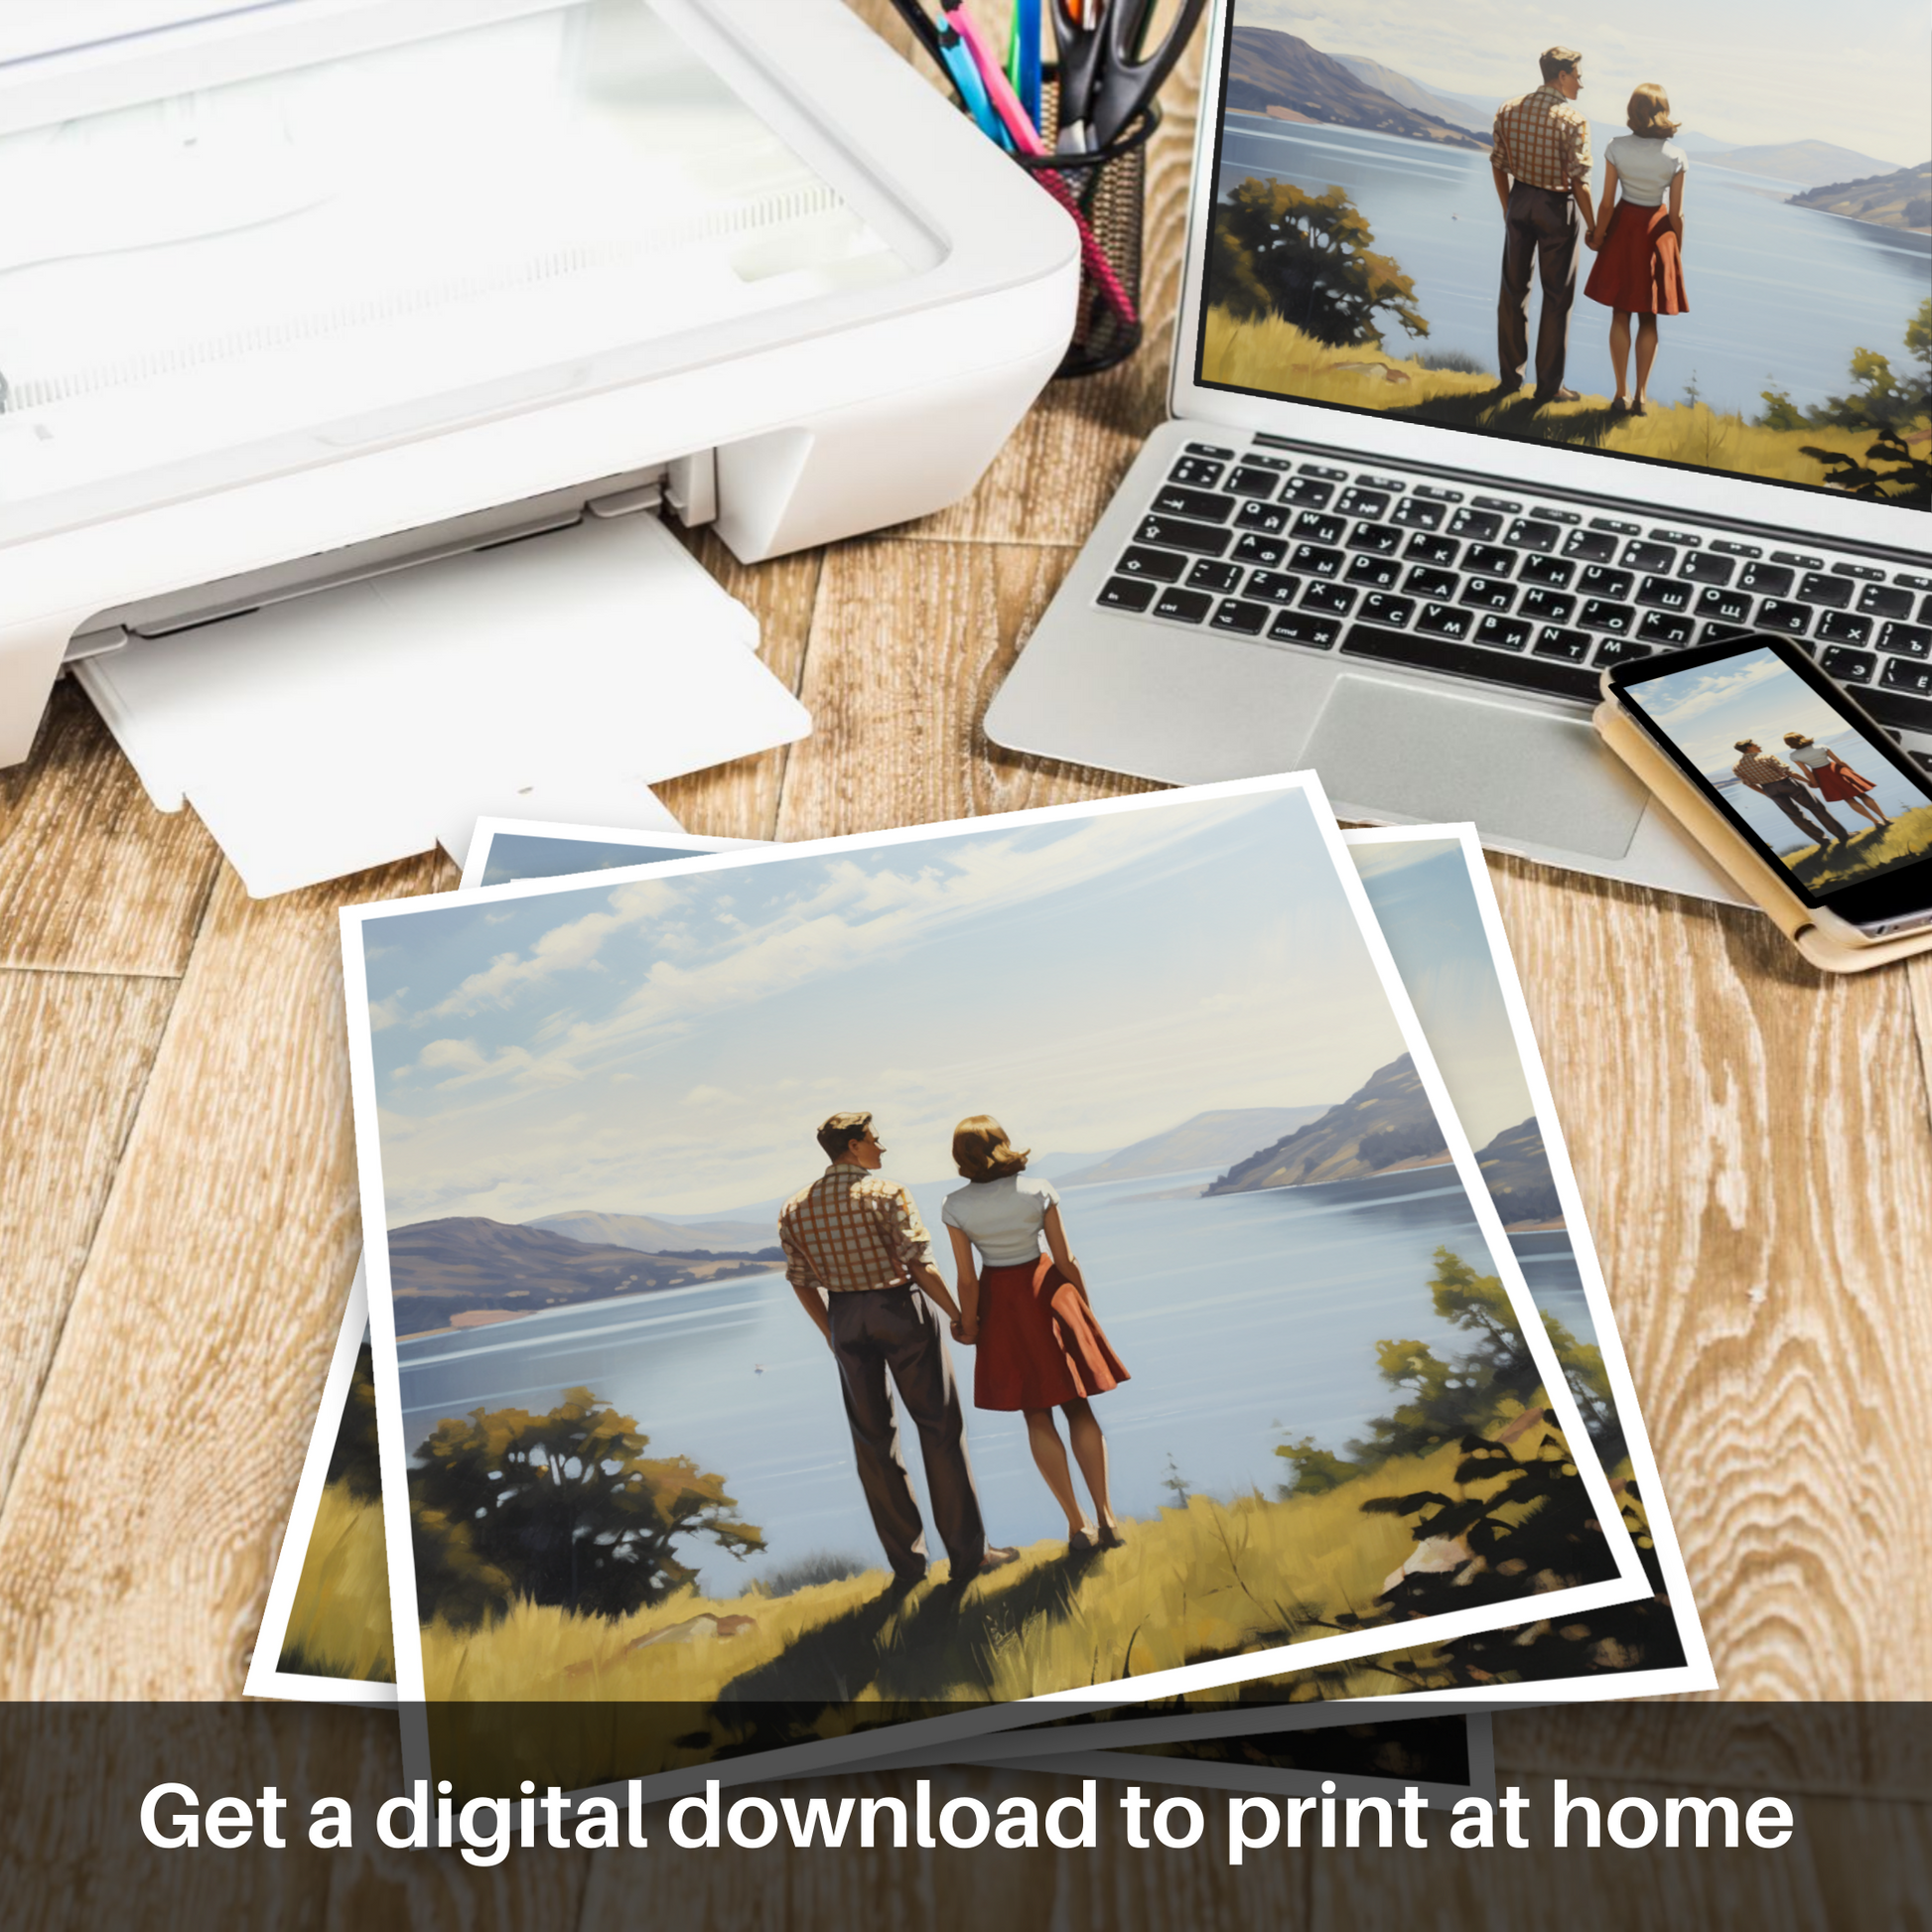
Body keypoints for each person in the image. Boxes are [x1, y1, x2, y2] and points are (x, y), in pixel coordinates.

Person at [778, 1111, 1018, 1587]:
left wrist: (832, 1331)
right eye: (874, 1139)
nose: (881, 1148)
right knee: (939, 1428)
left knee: (873, 1443)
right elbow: (920, 1265)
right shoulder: (887, 1193)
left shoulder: (795, 1208)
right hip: (899, 1310)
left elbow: (801, 1282)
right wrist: (957, 1315)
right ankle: (969, 1557)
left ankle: (908, 1566)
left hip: (845, 1317)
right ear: (852, 1147)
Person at [942, 1116, 1129, 1554]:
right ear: (1003, 1144)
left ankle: (1076, 1524)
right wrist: (1083, 1312)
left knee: (1035, 1412)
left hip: (1002, 1305)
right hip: (1048, 1295)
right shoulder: (1038, 1189)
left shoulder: (955, 1206)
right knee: (1077, 1406)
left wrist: (968, 1326)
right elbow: (1066, 1259)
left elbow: (966, 1280)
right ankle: (1107, 1518)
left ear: (960, 1157)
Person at [1490, 47, 1598, 406]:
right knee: (1556, 299)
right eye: (1578, 75)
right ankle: (1549, 387)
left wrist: (1510, 207)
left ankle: (1509, 379)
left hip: (1520, 200)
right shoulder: (1573, 120)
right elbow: (1579, 181)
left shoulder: (1508, 109)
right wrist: (1594, 226)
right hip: (1556, 208)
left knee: (1512, 291)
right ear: (1562, 75)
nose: (1581, 83)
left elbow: (1498, 164)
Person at [1585, 84, 1690, 417]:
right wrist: (1677, 253)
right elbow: (1677, 215)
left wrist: (1598, 237)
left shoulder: (1616, 147)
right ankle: (1641, 397)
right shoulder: (1676, 156)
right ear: (1664, 111)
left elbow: (1605, 204)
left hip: (1624, 228)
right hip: (1658, 234)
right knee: (1648, 317)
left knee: (1620, 311)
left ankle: (1620, 393)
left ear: (1633, 110)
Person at [1730, 740, 1852, 847]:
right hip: (1787, 784)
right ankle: (1842, 836)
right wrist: (1808, 781)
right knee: (1816, 808)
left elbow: (1749, 784)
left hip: (1769, 789)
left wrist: (1766, 793)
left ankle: (1823, 841)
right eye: (1755, 745)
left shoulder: (1737, 767)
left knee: (1796, 817)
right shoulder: (1767, 757)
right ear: (1749, 748)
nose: (1759, 746)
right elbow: (1789, 772)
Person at [1783, 732, 1891, 834]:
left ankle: (1876, 822)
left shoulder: (1794, 756)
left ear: (1789, 744)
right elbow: (1840, 761)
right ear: (1802, 737)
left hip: (1823, 776)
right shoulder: (1821, 746)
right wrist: (1852, 772)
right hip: (1837, 770)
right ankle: (1884, 818)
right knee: (1862, 795)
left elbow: (1807, 772)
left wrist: (1814, 783)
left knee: (1849, 799)